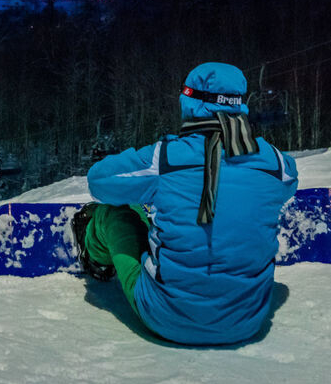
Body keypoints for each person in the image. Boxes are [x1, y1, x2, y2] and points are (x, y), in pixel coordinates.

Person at [72, 62, 298, 345]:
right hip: (247, 322)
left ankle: (95, 259)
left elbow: (99, 181)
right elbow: (289, 183)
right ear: (240, 104)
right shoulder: (275, 163)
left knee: (113, 214)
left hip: (167, 318)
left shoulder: (166, 158)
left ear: (189, 102)